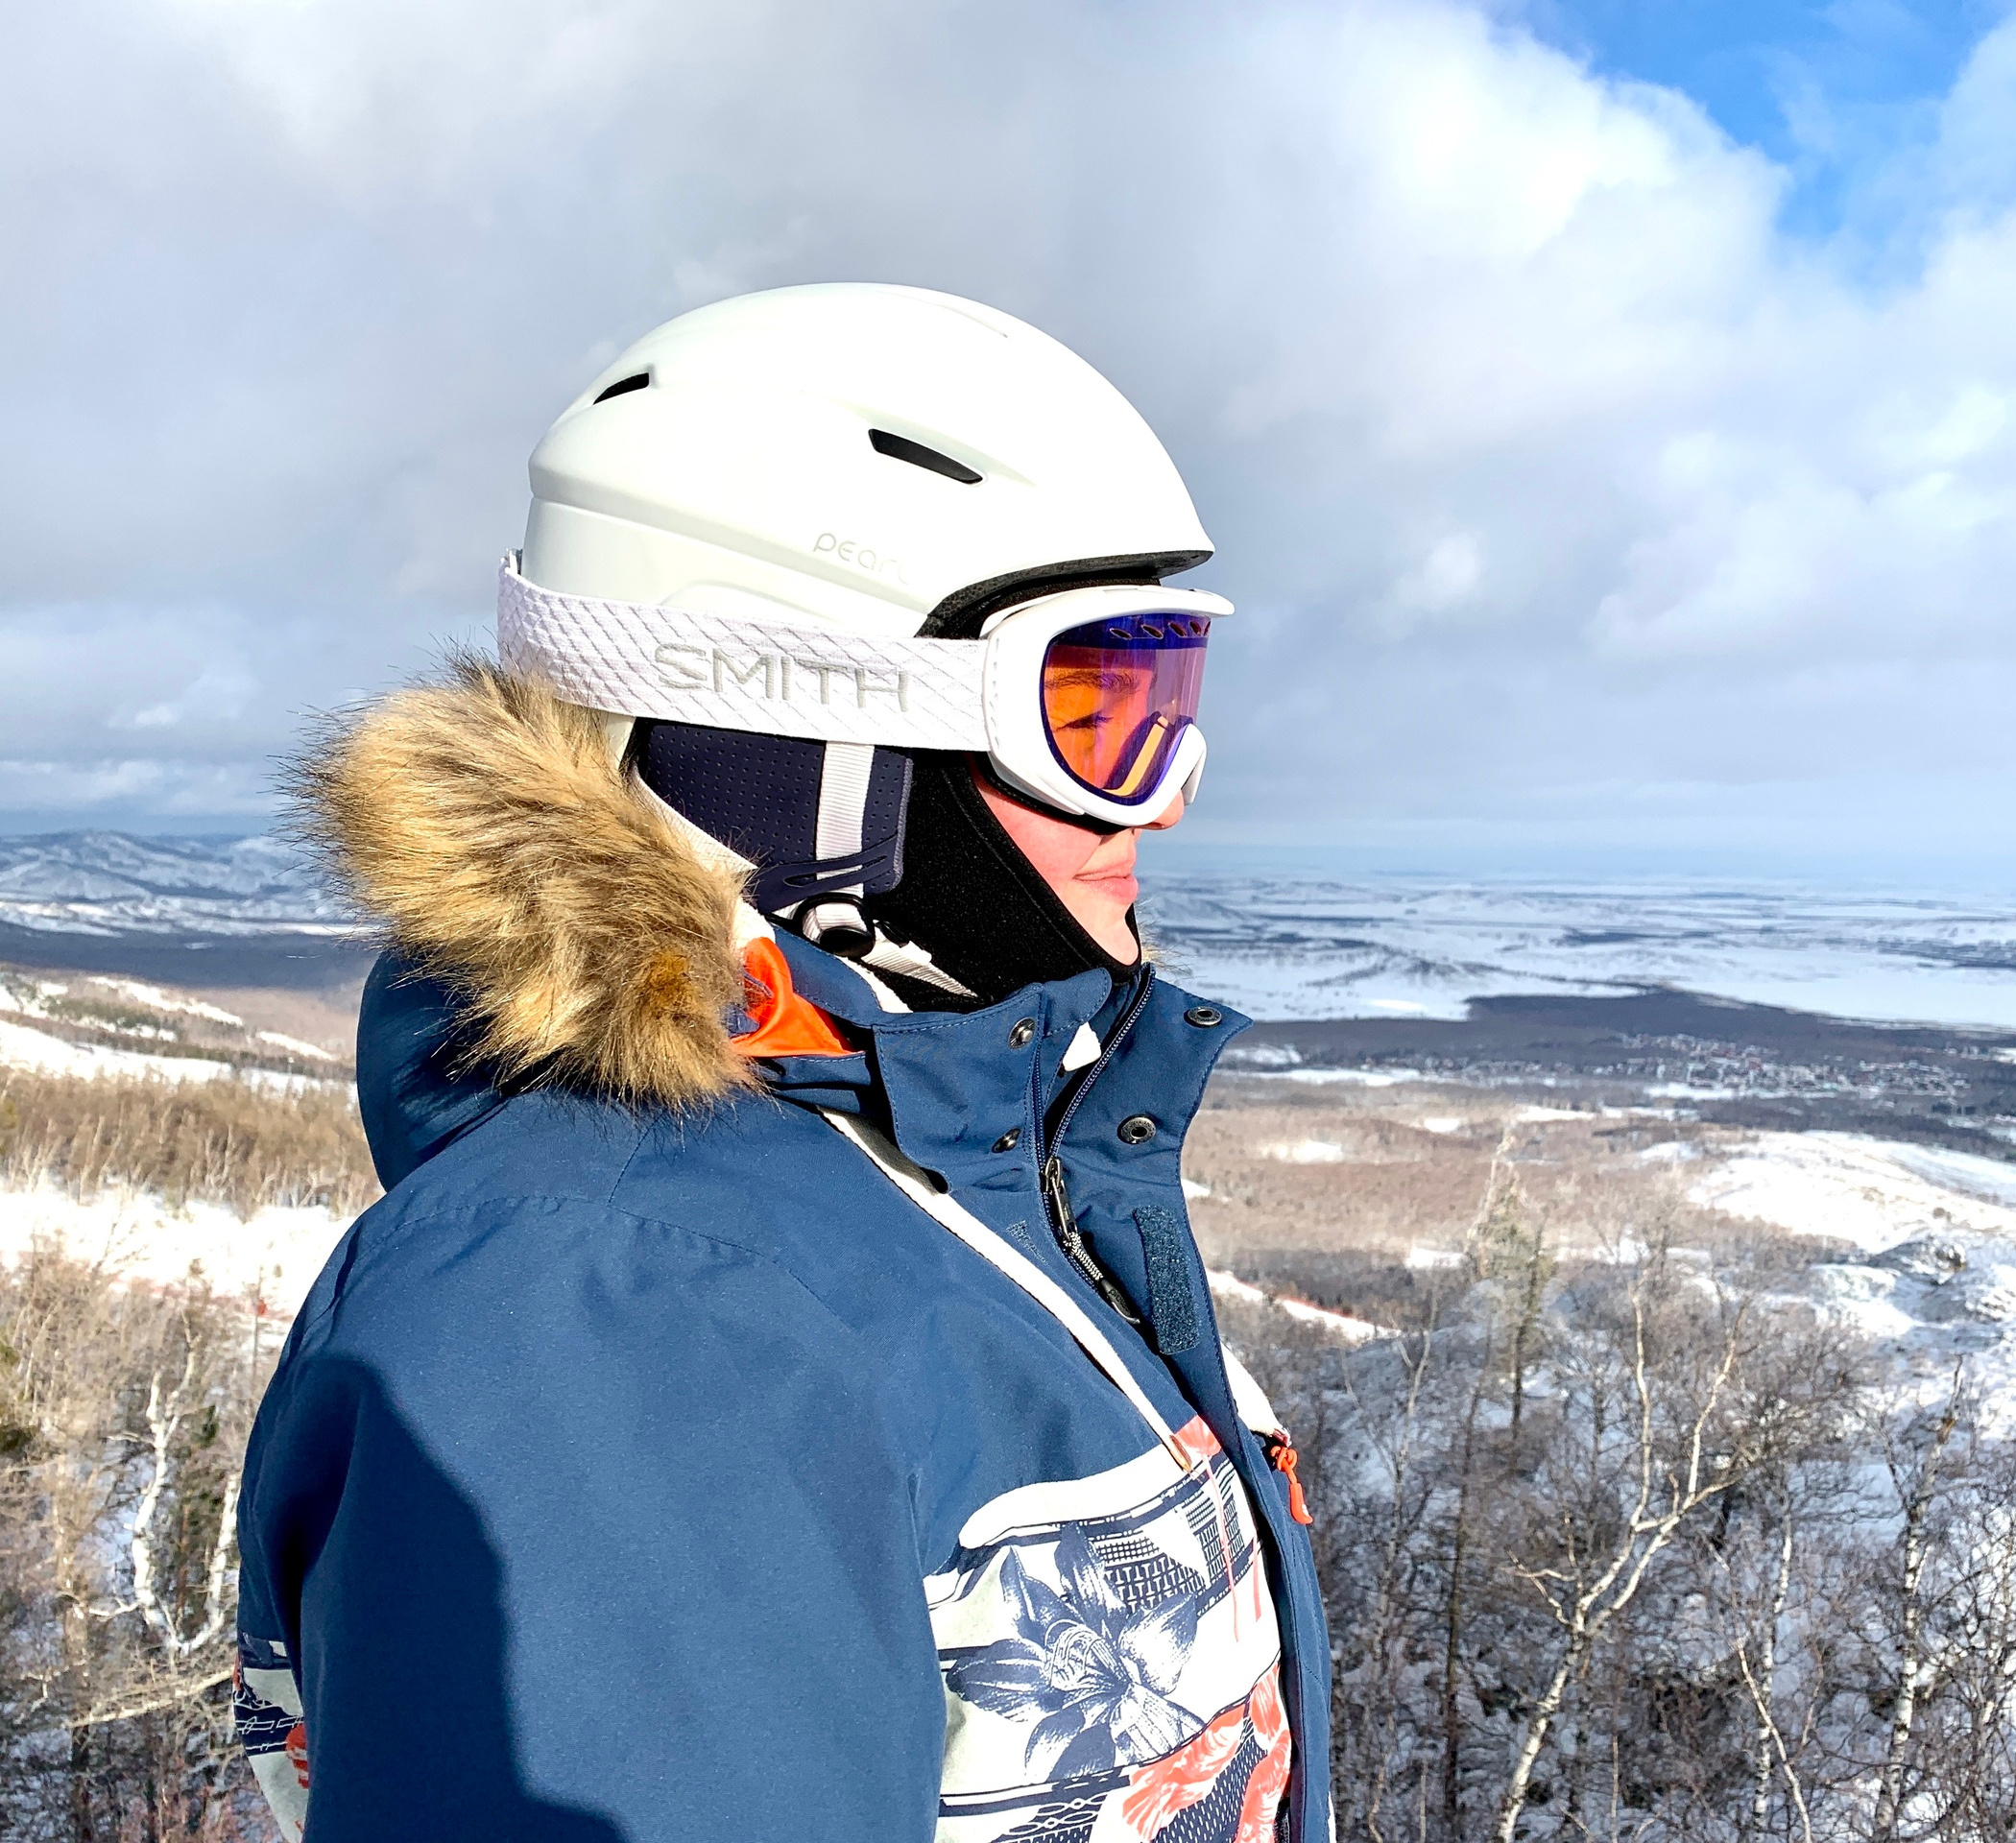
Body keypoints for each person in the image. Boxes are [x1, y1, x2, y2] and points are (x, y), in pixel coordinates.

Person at [232, 284, 1332, 1842]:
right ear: (808, 740)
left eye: (1168, 698)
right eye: (1097, 708)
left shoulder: (930, 1163)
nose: (1167, 791)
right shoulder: (615, 1317)